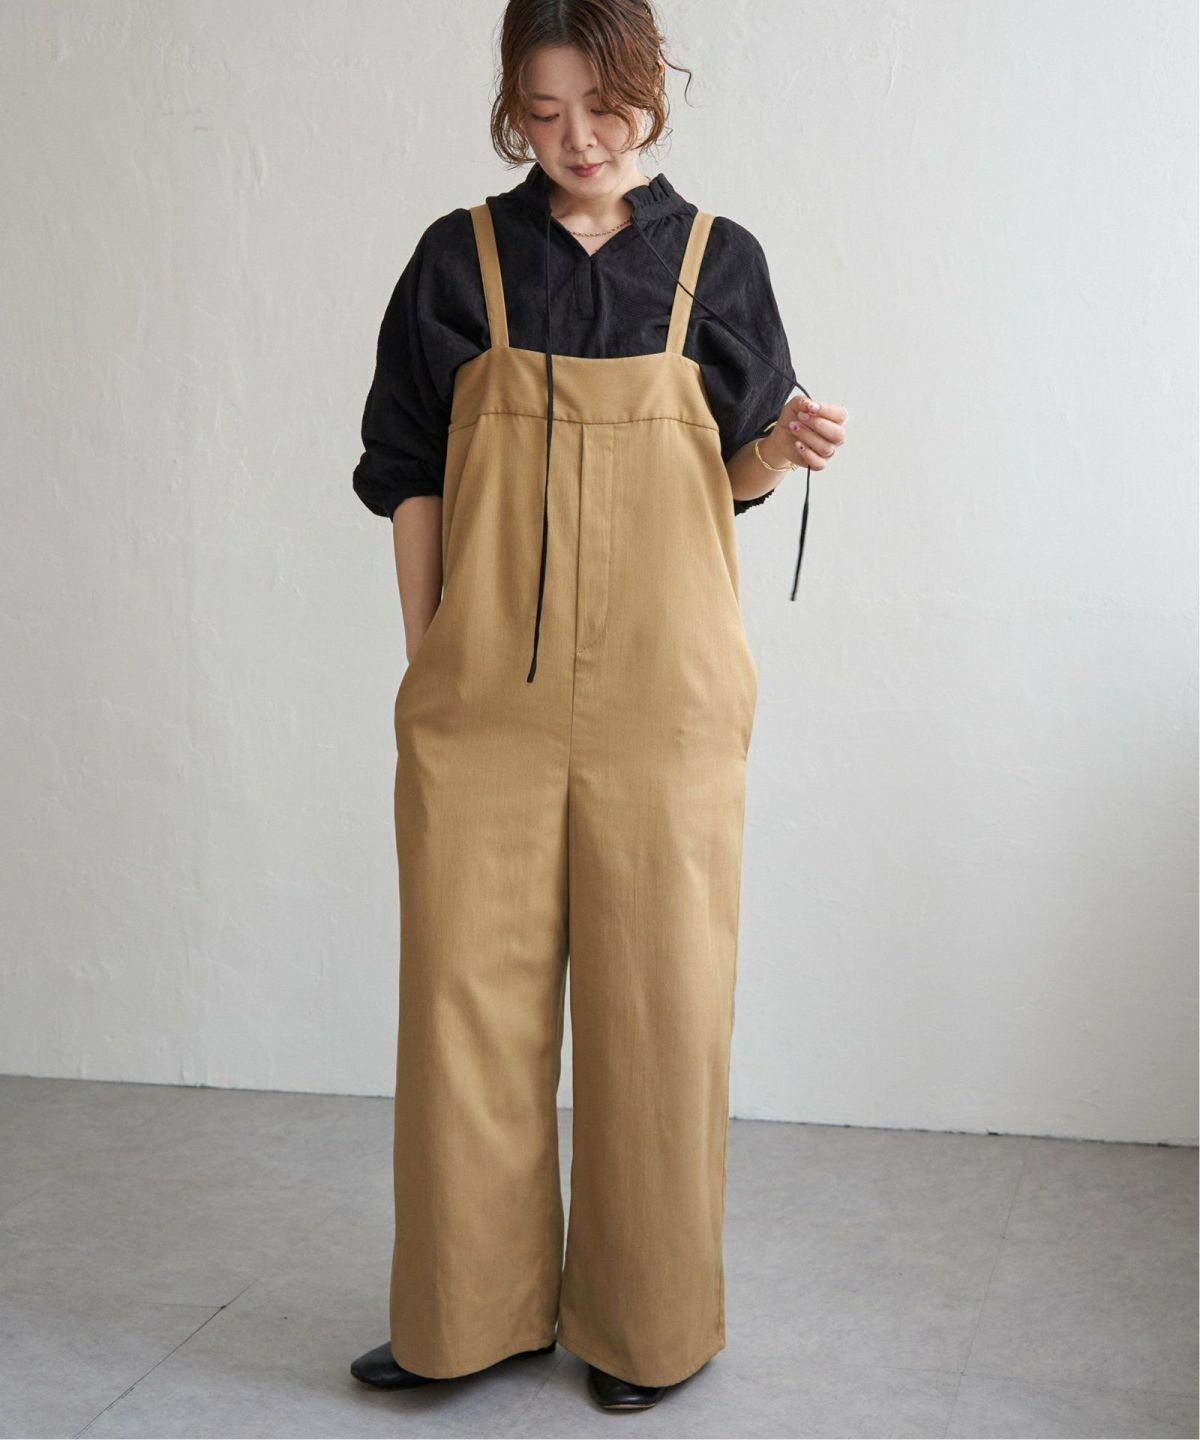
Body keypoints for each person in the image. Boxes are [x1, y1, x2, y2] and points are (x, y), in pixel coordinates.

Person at [349, 0, 847, 1414]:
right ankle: (469, 1316)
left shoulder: (717, 261)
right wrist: (430, 660)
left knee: (660, 1005)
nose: (578, 138)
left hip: (665, 696)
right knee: (463, 1004)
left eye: (604, 107)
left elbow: (727, 478)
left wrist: (785, 449)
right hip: (482, 694)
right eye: (546, 111)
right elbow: (408, 469)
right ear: (514, 108)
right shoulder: (458, 258)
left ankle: (649, 1326)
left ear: (651, 89)